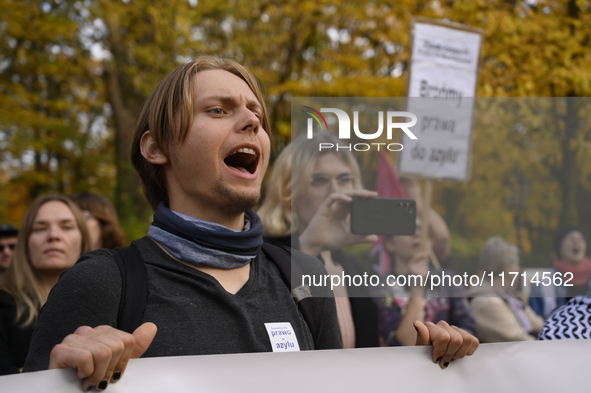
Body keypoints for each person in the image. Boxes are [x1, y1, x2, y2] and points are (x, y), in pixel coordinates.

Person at [23, 56, 478, 391]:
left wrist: (430, 364)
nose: (251, 121)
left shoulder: (304, 277)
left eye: (256, 116)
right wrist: (62, 376)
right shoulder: (100, 282)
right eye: (218, 111)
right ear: (156, 147)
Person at [259, 133, 380, 349]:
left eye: (344, 179)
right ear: (289, 191)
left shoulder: (353, 268)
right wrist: (308, 249)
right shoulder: (261, 256)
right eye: (319, 180)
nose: (336, 191)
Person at [0, 195, 92, 375]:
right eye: (40, 228)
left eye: (66, 227)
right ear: (25, 242)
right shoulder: (3, 304)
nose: (53, 236)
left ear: (83, 238)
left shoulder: (117, 299)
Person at [372, 219, 476, 354]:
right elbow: (406, 344)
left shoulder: (447, 280)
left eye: (422, 230)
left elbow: (468, 332)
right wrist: (416, 287)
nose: (417, 234)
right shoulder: (379, 287)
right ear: (390, 244)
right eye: (407, 229)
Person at [468, 237, 543, 342]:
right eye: (517, 264)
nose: (519, 269)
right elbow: (519, 340)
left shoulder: (508, 297)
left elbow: (539, 325)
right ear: (506, 267)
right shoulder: (487, 302)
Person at [529, 225, 591, 318]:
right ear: (559, 246)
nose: (576, 242)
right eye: (570, 239)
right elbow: (534, 321)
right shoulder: (543, 285)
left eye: (581, 239)